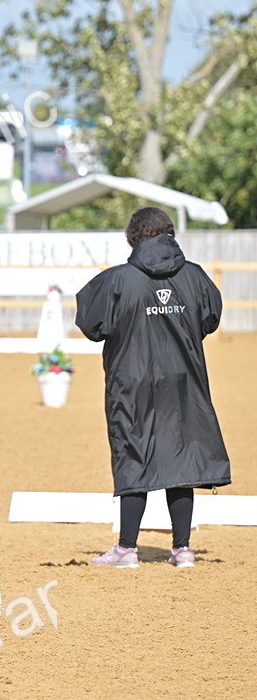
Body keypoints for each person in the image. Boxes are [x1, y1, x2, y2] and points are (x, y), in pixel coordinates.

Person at [75, 207, 231, 568]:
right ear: (170, 234)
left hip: (132, 381)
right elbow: (210, 319)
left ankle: (127, 549)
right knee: (182, 456)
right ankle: (183, 549)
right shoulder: (195, 276)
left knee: (134, 453)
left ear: (133, 238)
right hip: (183, 379)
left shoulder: (116, 280)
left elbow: (91, 324)